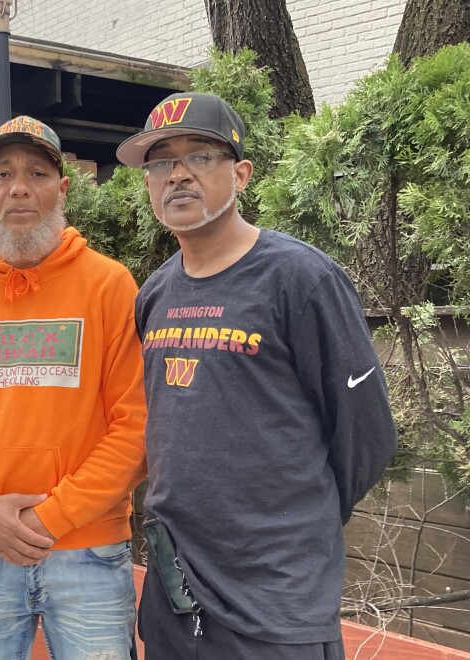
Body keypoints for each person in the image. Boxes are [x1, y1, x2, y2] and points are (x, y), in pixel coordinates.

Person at [116, 92, 397, 659]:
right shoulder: (155, 294)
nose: (178, 176)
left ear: (241, 174)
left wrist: (288, 525)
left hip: (274, 605)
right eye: (160, 162)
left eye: (199, 157)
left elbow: (366, 437)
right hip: (176, 596)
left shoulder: (301, 279)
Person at [0, 116, 147, 659]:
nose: (19, 187)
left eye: (37, 173)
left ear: (61, 190)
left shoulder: (110, 286)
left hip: (89, 552)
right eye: (3, 173)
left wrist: (47, 519)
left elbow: (136, 428)